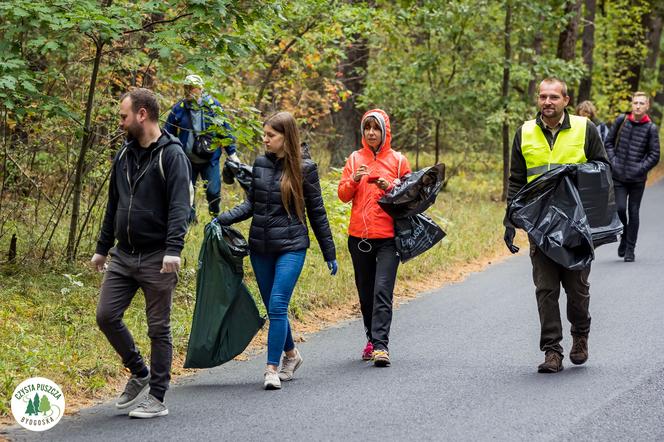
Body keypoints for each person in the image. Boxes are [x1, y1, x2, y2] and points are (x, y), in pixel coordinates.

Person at [217, 111, 337, 390]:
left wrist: (329, 252)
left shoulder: (305, 169)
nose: (265, 139)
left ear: (287, 137)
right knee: (274, 308)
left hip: (292, 246)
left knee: (278, 304)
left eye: (271, 135)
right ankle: (292, 355)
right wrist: (221, 219)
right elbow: (251, 205)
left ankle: (271, 368)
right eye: (265, 134)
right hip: (260, 247)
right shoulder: (260, 164)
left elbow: (318, 214)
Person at [91, 88, 192, 417]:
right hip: (124, 255)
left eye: (124, 116)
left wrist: (174, 249)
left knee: (158, 328)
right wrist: (102, 248)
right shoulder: (123, 154)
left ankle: (158, 397)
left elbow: (180, 206)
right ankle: (139, 372)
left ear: (142, 115)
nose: (120, 122)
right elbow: (114, 204)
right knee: (106, 316)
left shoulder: (172, 155)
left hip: (157, 256)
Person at [504, 78, 609, 373]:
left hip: (575, 225)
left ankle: (580, 335)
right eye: (542, 97)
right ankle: (552, 351)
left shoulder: (584, 129)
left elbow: (602, 169)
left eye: (553, 97)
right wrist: (510, 221)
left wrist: (572, 174)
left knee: (577, 290)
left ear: (566, 100)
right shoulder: (524, 132)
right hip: (539, 225)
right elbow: (516, 181)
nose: (547, 102)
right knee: (546, 290)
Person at [337, 109, 411, 367]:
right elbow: (343, 195)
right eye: (367, 128)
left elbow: (410, 196)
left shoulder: (399, 161)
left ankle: (381, 346)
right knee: (366, 294)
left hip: (389, 238)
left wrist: (388, 186)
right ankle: (371, 338)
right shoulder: (355, 159)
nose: (371, 133)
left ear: (385, 131)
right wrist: (354, 181)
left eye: (376, 128)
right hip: (358, 238)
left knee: (382, 291)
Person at [164, 74, 240, 219]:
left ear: (200, 89)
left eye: (192, 88)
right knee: (187, 194)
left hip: (210, 159)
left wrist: (232, 153)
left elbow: (225, 129)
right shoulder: (179, 108)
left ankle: (214, 217)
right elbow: (168, 132)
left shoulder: (212, 106)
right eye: (186, 88)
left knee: (213, 191)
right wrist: (169, 153)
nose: (189, 91)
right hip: (187, 160)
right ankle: (191, 222)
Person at [604, 92, 660, 262]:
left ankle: (630, 249)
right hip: (619, 176)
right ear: (631, 104)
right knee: (620, 209)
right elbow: (608, 142)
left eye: (641, 103)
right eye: (635, 102)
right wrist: (614, 162)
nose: (637, 106)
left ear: (647, 106)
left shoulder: (650, 128)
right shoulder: (622, 120)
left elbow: (654, 154)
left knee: (633, 211)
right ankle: (624, 236)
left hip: (637, 180)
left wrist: (640, 169)